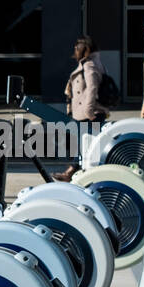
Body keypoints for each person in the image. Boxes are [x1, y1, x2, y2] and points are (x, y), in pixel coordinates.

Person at [54, 36, 110, 181]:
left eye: (77, 48)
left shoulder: (89, 64)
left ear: (85, 49)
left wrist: (89, 110)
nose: (75, 50)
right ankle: (76, 172)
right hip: (88, 112)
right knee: (84, 144)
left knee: (85, 145)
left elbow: (92, 88)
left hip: (90, 112)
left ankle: (73, 172)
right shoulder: (91, 63)